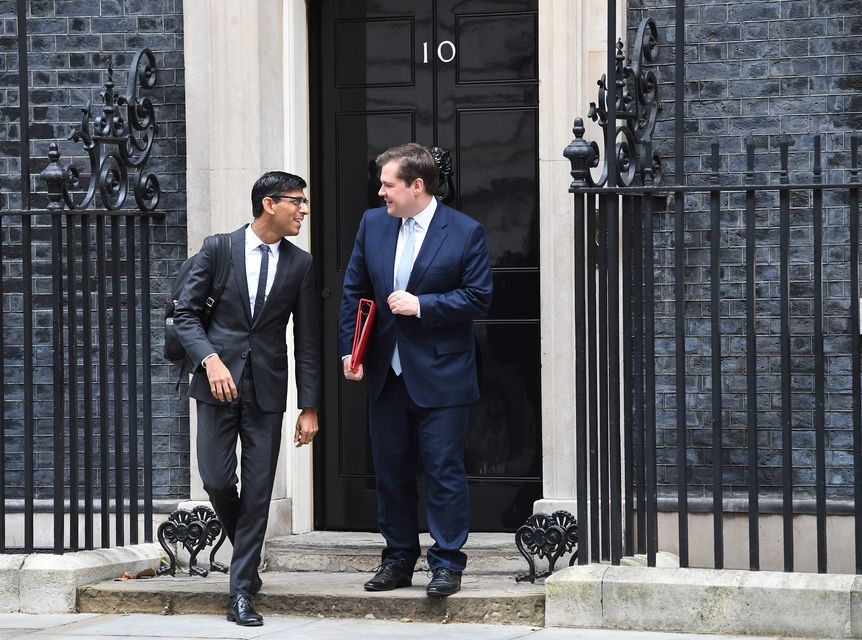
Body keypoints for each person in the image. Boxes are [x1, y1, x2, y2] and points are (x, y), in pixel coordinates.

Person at [339, 143, 492, 597]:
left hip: (442, 375)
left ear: (416, 185)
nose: (381, 192)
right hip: (387, 373)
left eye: (388, 184)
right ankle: (398, 559)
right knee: (391, 471)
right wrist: (352, 350)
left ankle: (446, 564)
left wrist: (421, 305)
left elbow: (478, 297)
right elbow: (354, 290)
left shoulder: (465, 232)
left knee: (443, 471)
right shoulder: (372, 224)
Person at [174, 171, 320, 626]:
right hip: (217, 384)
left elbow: (309, 340)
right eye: (296, 202)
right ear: (268, 203)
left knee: (258, 492)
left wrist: (310, 406)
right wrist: (210, 361)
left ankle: (240, 591)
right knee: (217, 479)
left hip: (267, 390)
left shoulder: (302, 264)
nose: (303, 210)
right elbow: (185, 313)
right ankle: (248, 559)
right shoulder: (218, 248)